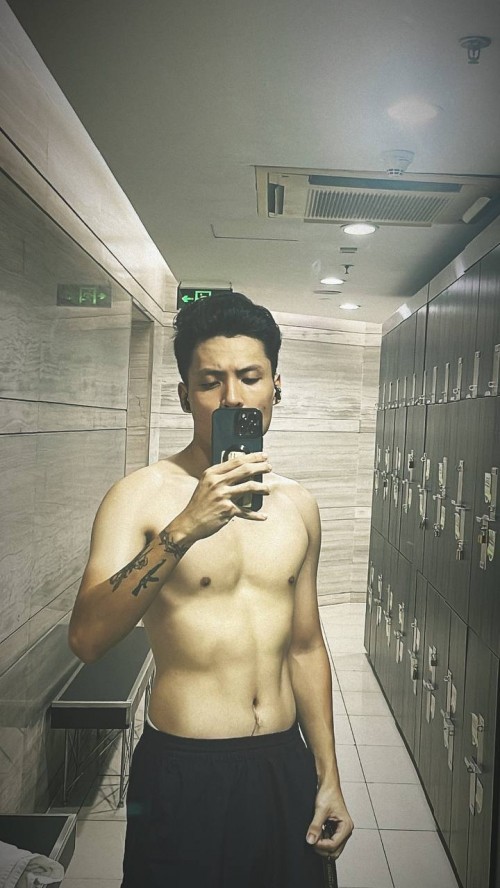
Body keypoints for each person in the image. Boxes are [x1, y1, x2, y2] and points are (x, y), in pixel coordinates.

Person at [69, 292, 354, 887]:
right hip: (184, 767)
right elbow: (88, 638)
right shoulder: (140, 496)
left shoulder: (299, 506)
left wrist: (328, 775)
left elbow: (305, 648)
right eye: (210, 382)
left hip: (283, 761)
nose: (232, 397)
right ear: (184, 395)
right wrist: (182, 530)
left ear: (276, 387)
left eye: (250, 377)